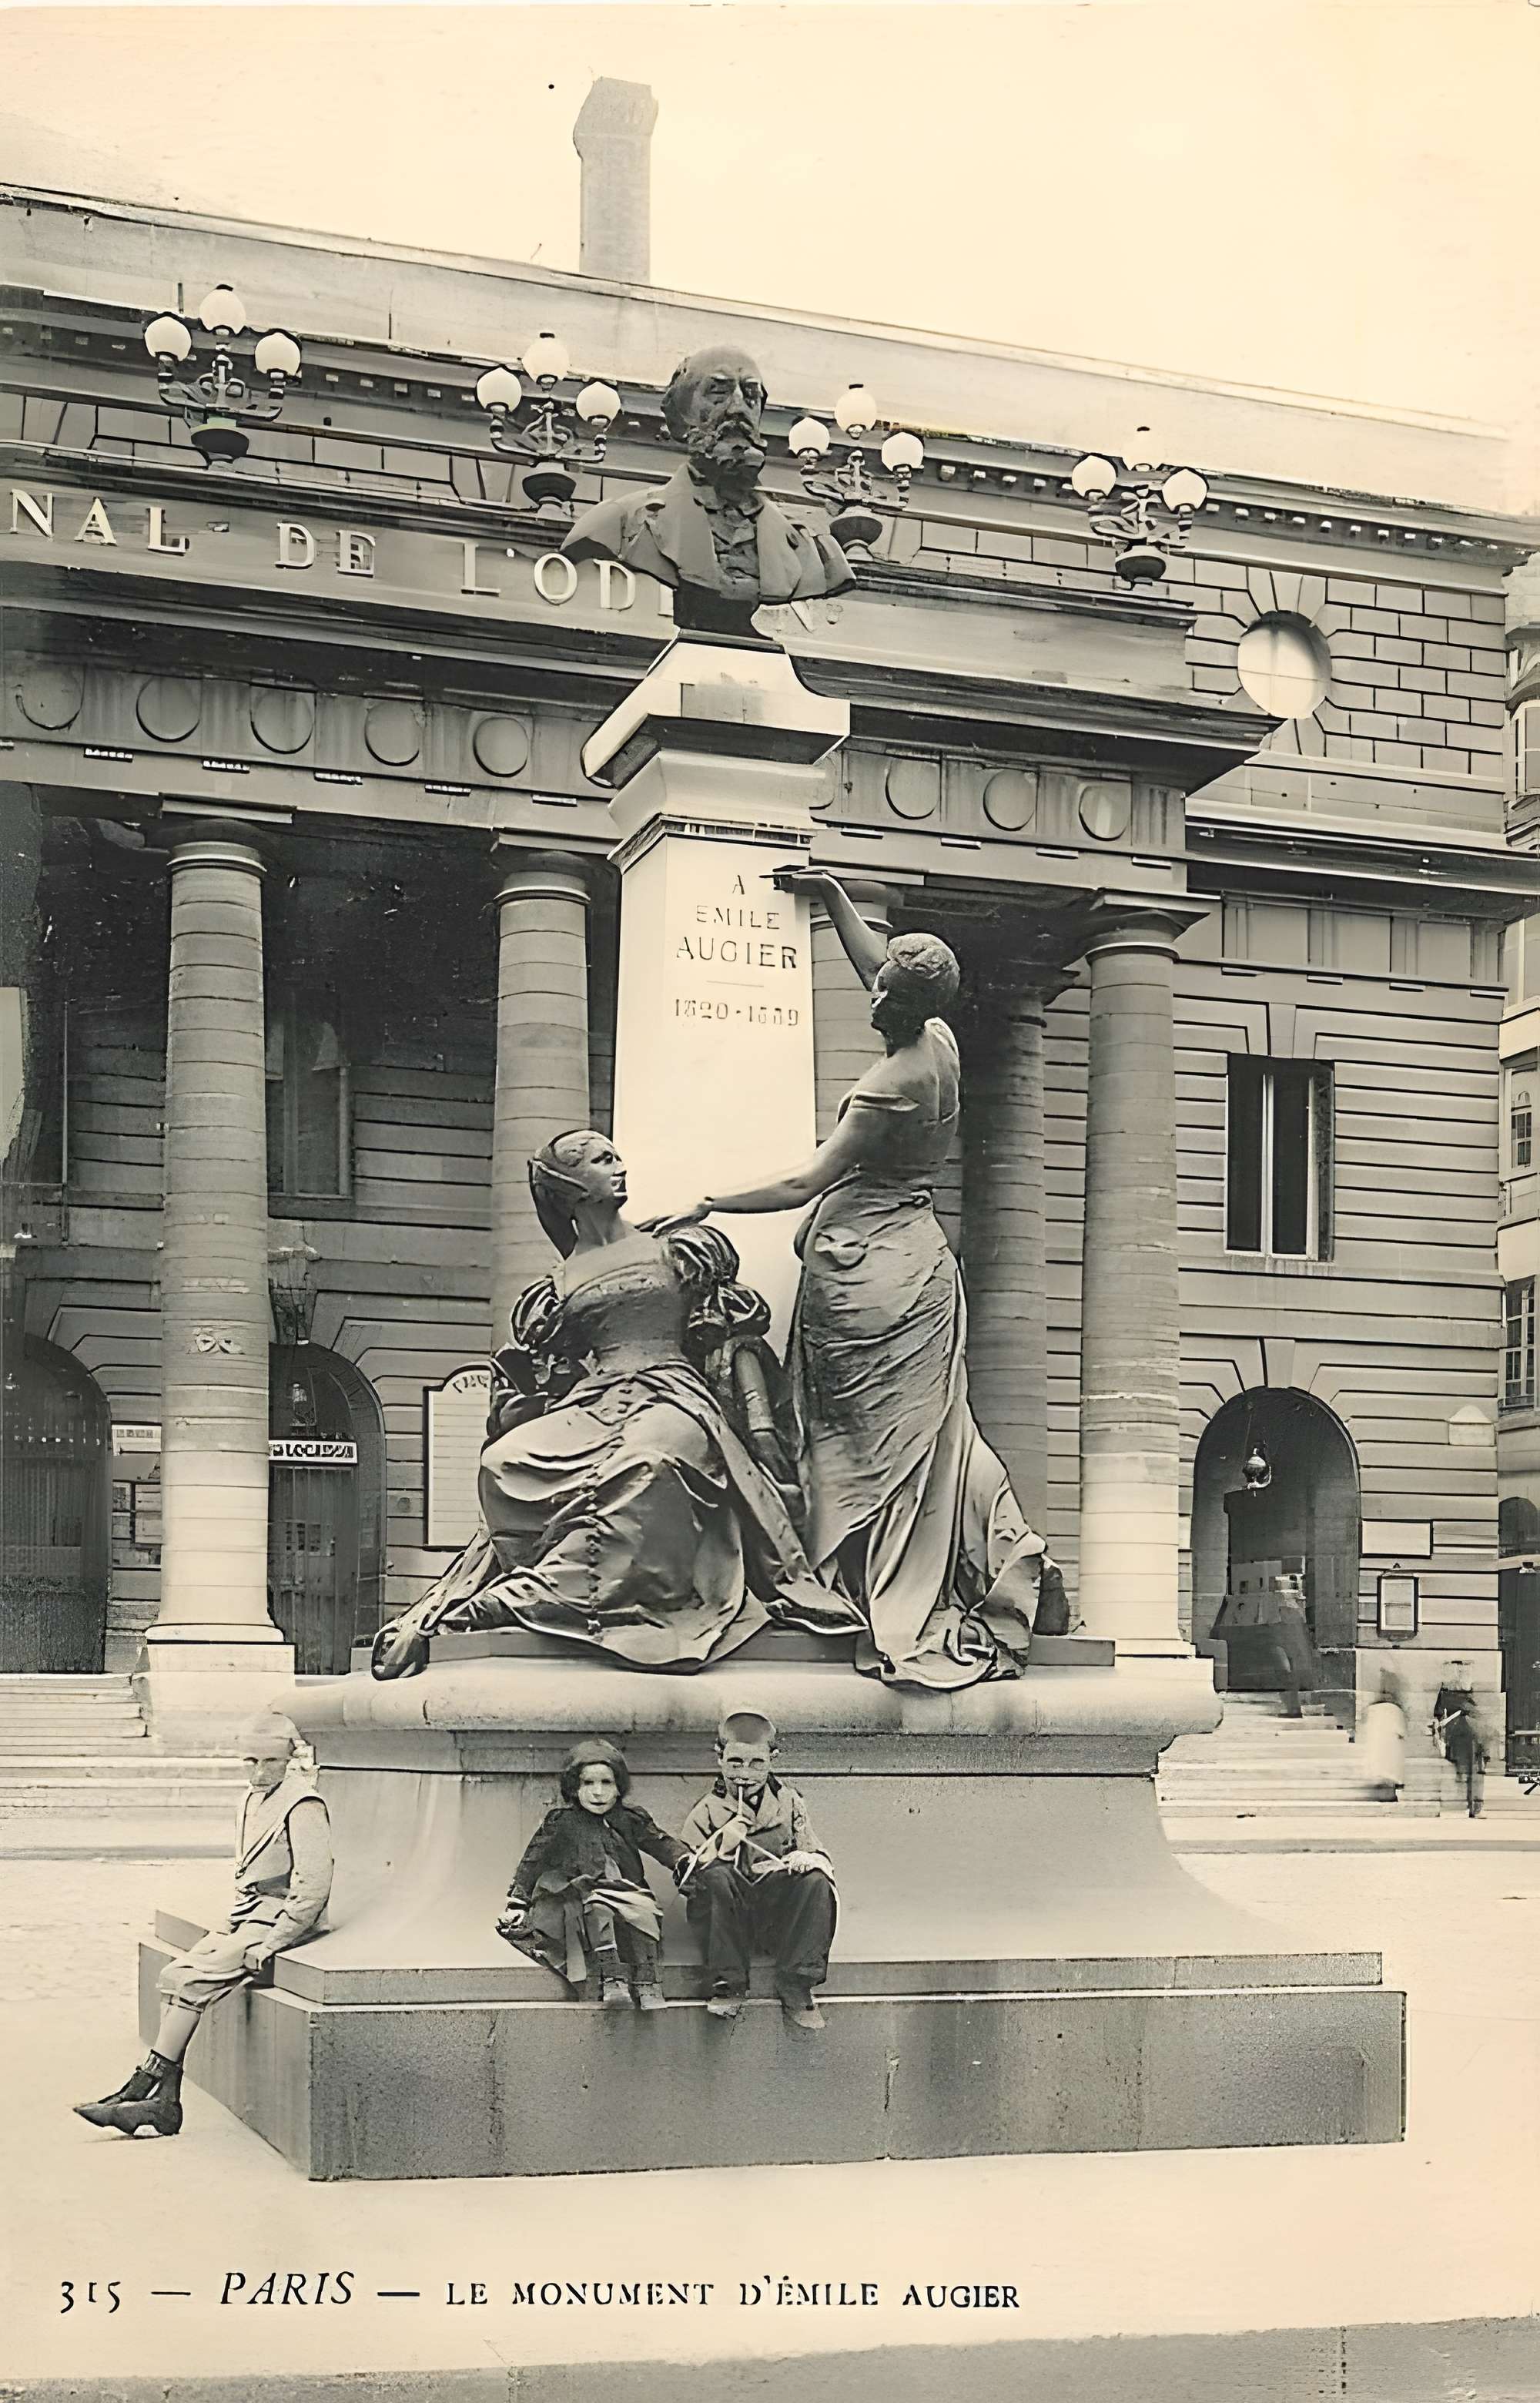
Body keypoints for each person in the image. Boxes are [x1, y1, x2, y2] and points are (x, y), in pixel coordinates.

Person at [673, 867, 1067, 1690]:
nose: (872, 995)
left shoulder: (886, 1087)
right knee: (933, 1436)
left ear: (903, 1004)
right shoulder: (938, 1039)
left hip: (865, 1280)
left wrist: (708, 1200)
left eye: (884, 991)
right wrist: (831, 896)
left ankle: (863, 1585)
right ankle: (1000, 1550)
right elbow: (876, 967)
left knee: (858, 1448)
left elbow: (803, 1181)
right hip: (919, 1263)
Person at [371, 1131, 855, 1679]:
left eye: (617, 1156)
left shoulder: (678, 1248)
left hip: (673, 1392)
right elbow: (546, 1374)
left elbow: (732, 1338)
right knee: (503, 1463)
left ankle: (543, 1593)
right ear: (572, 1188)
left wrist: (761, 1428)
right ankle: (553, 1585)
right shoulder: (555, 1286)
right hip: (595, 1401)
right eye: (604, 1161)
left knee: (649, 1462)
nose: (620, 1167)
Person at [75, 1716, 332, 2140]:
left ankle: (140, 2087)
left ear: (290, 1757)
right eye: (250, 1761)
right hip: (247, 1916)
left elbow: (313, 1886)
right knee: (173, 1974)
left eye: (270, 1761)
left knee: (194, 1981)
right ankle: (164, 2101)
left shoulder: (304, 1805)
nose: (259, 1772)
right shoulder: (251, 1800)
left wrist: (274, 1942)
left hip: (278, 1919)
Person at [563, 345, 854, 638]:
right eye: (718, 393)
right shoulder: (618, 524)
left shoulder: (811, 550)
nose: (738, 407)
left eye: (750, 396)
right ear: (681, 417)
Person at [496, 1738, 688, 2012]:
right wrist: (518, 1900)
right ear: (574, 1787)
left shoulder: (630, 1818)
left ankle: (648, 1982)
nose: (598, 1793)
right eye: (588, 1783)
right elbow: (533, 1860)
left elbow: (660, 1842)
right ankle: (613, 1980)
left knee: (646, 1911)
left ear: (619, 1787)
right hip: (581, 1890)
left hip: (626, 1889)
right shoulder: (562, 1822)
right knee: (599, 1910)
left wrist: (683, 1860)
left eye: (606, 1783)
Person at [678, 1707, 838, 2031]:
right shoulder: (706, 1811)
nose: (744, 1774)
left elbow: (816, 1851)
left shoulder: (790, 1802)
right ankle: (729, 1984)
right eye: (735, 1762)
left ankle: (797, 1984)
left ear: (772, 1759)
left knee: (817, 1882)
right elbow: (687, 1876)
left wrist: (805, 1858)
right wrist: (721, 1845)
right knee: (717, 1877)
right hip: (727, 1921)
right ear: (719, 1757)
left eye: (756, 1764)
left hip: (774, 1921)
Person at [1434, 1667, 1491, 1818]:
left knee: (1468, 1772)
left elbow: (1438, 1716)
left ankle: (1471, 1806)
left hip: (1461, 1736)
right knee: (1473, 1773)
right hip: (1466, 1735)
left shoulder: (1447, 1694)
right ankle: (1474, 1807)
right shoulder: (1464, 1696)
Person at [1362, 1668, 1408, 1802]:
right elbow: (1402, 1731)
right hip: (1390, 1750)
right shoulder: (1395, 1710)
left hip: (1378, 1750)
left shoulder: (1373, 1709)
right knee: (1389, 1772)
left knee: (1382, 1772)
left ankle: (1382, 1794)